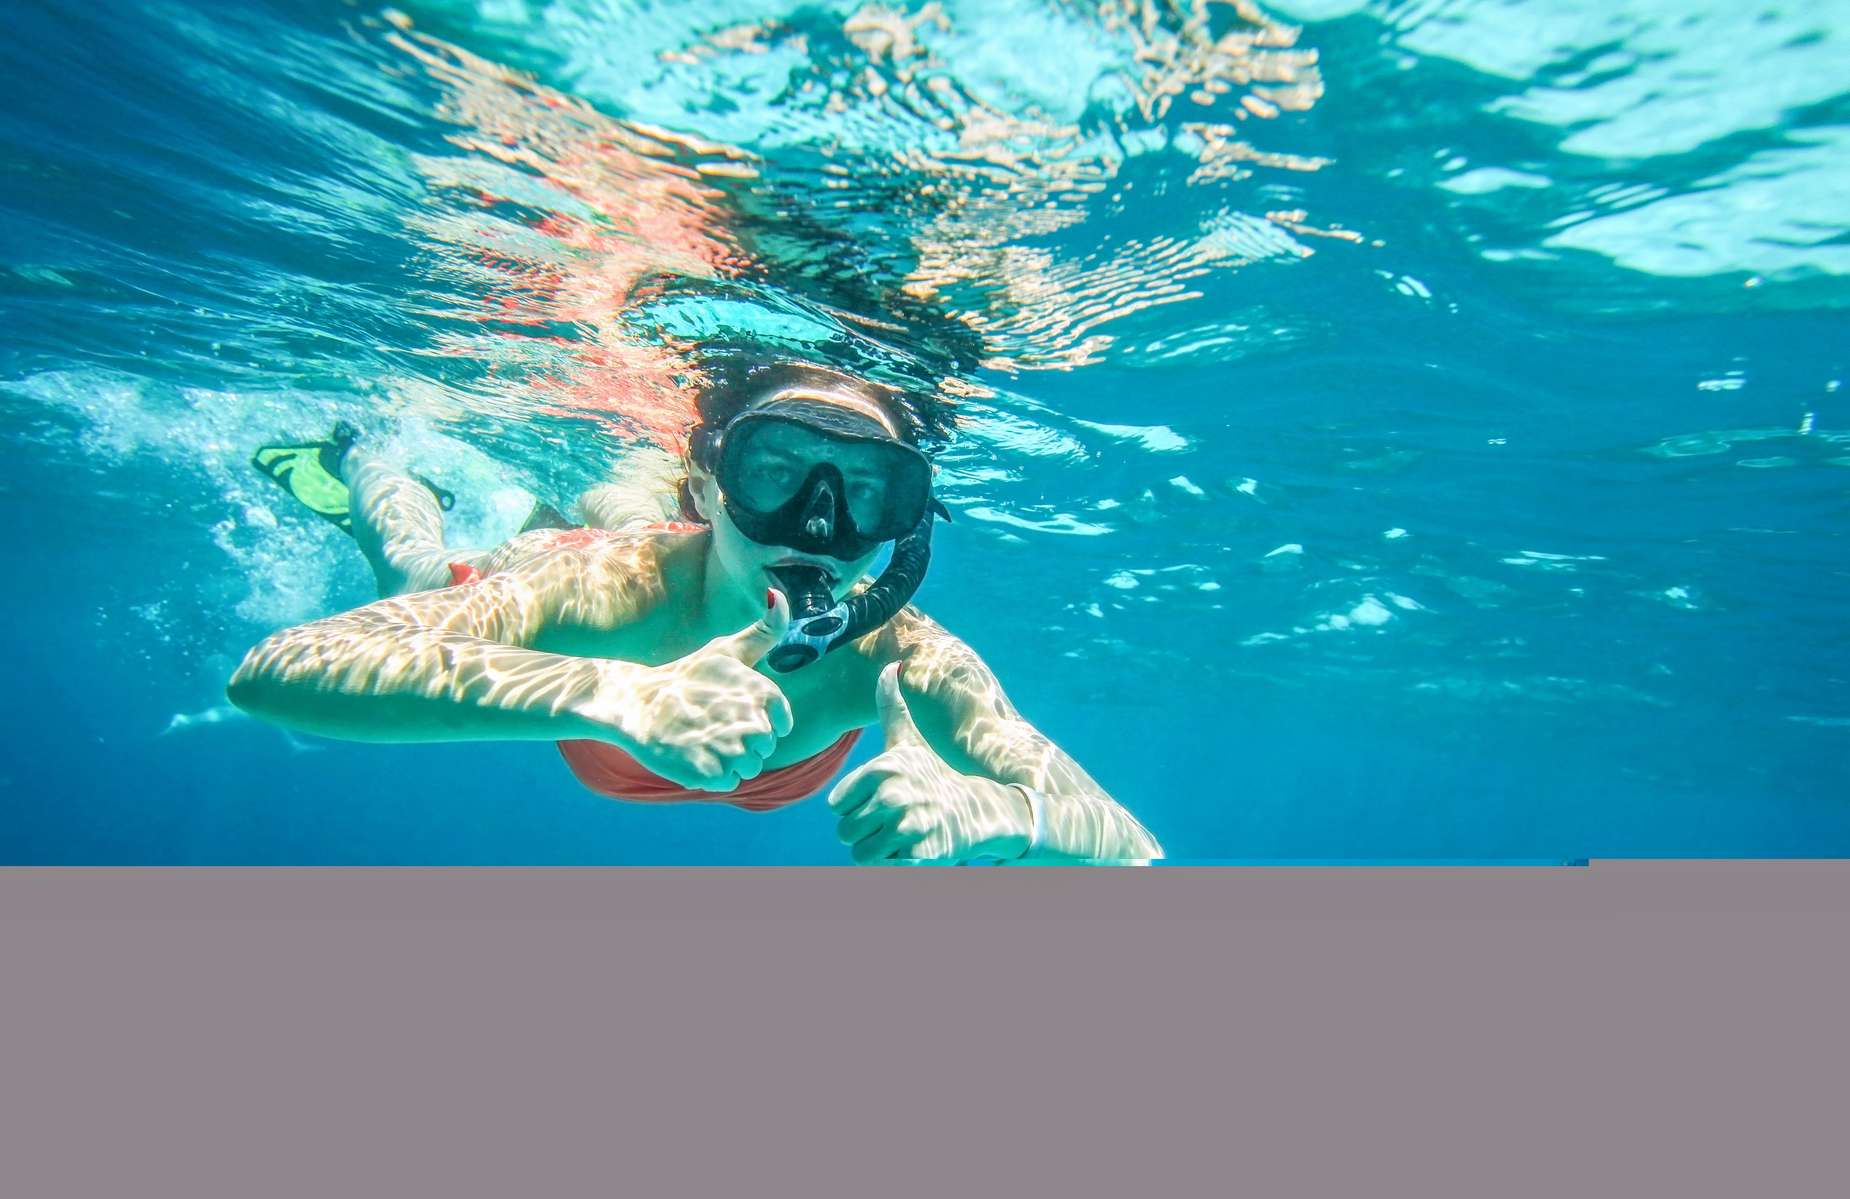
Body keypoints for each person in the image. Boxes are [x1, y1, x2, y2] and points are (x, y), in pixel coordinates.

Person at [230, 360, 1163, 864]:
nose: (818, 526)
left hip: (686, 569)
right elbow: (275, 669)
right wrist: (620, 695)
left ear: (905, 525)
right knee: (419, 581)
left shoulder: (902, 654)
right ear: (713, 483)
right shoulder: (607, 587)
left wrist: (1001, 812)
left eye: (869, 491)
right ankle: (365, 459)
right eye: (774, 471)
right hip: (632, 584)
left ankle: (635, 495)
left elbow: (1131, 844)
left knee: (632, 523)